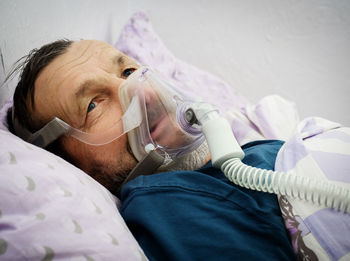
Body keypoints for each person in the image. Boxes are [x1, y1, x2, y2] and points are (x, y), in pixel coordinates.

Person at [7, 39, 297, 260]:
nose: (145, 92)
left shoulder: (243, 155)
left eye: (129, 71)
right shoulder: (168, 206)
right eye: (93, 104)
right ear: (67, 163)